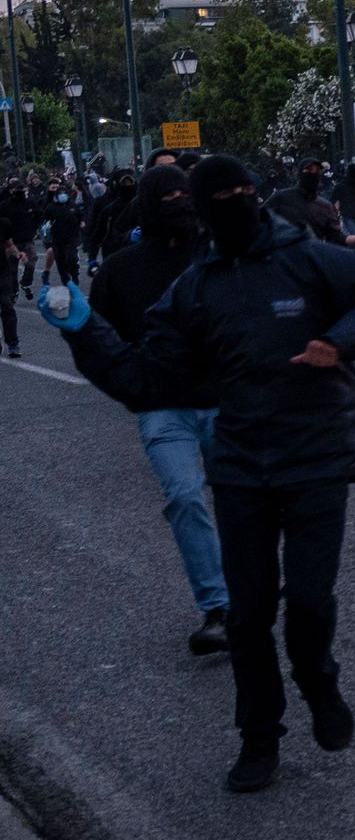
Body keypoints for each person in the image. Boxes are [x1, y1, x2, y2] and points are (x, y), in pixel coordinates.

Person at [40, 154, 355, 794]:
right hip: (242, 463)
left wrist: (342, 341)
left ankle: (319, 683)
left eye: (244, 192)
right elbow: (146, 380)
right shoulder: (195, 290)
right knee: (248, 616)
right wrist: (86, 332)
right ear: (202, 213)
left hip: (316, 455)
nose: (236, 206)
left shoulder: (310, 260)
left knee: (308, 601)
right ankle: (259, 738)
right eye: (220, 200)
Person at [87, 164, 230, 656]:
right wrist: (133, 387)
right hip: (163, 408)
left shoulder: (219, 254)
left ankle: (250, 588)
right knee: (185, 497)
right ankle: (218, 608)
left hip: (227, 401)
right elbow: (101, 340)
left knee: (245, 501)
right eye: (168, 197)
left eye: (185, 195)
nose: (180, 204)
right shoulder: (121, 270)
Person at [266, 157, 352, 246]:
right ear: (300, 174)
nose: (313, 173)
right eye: (309, 170)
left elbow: (336, 236)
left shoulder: (325, 206)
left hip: (312, 252)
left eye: (317, 170)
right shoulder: (282, 196)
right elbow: (261, 218)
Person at [40, 178, 85, 288]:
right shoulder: (51, 207)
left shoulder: (73, 205)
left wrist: (82, 224)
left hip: (72, 238)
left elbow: (80, 217)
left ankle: (75, 277)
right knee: (60, 263)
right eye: (60, 194)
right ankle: (66, 282)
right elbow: (44, 220)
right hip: (57, 239)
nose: (62, 195)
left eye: (64, 193)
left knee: (71, 258)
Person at [0, 182, 21, 356]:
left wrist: (17, 253)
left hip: (2, 271)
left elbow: (8, 243)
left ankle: (13, 343)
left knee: (7, 307)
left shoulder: (3, 223)